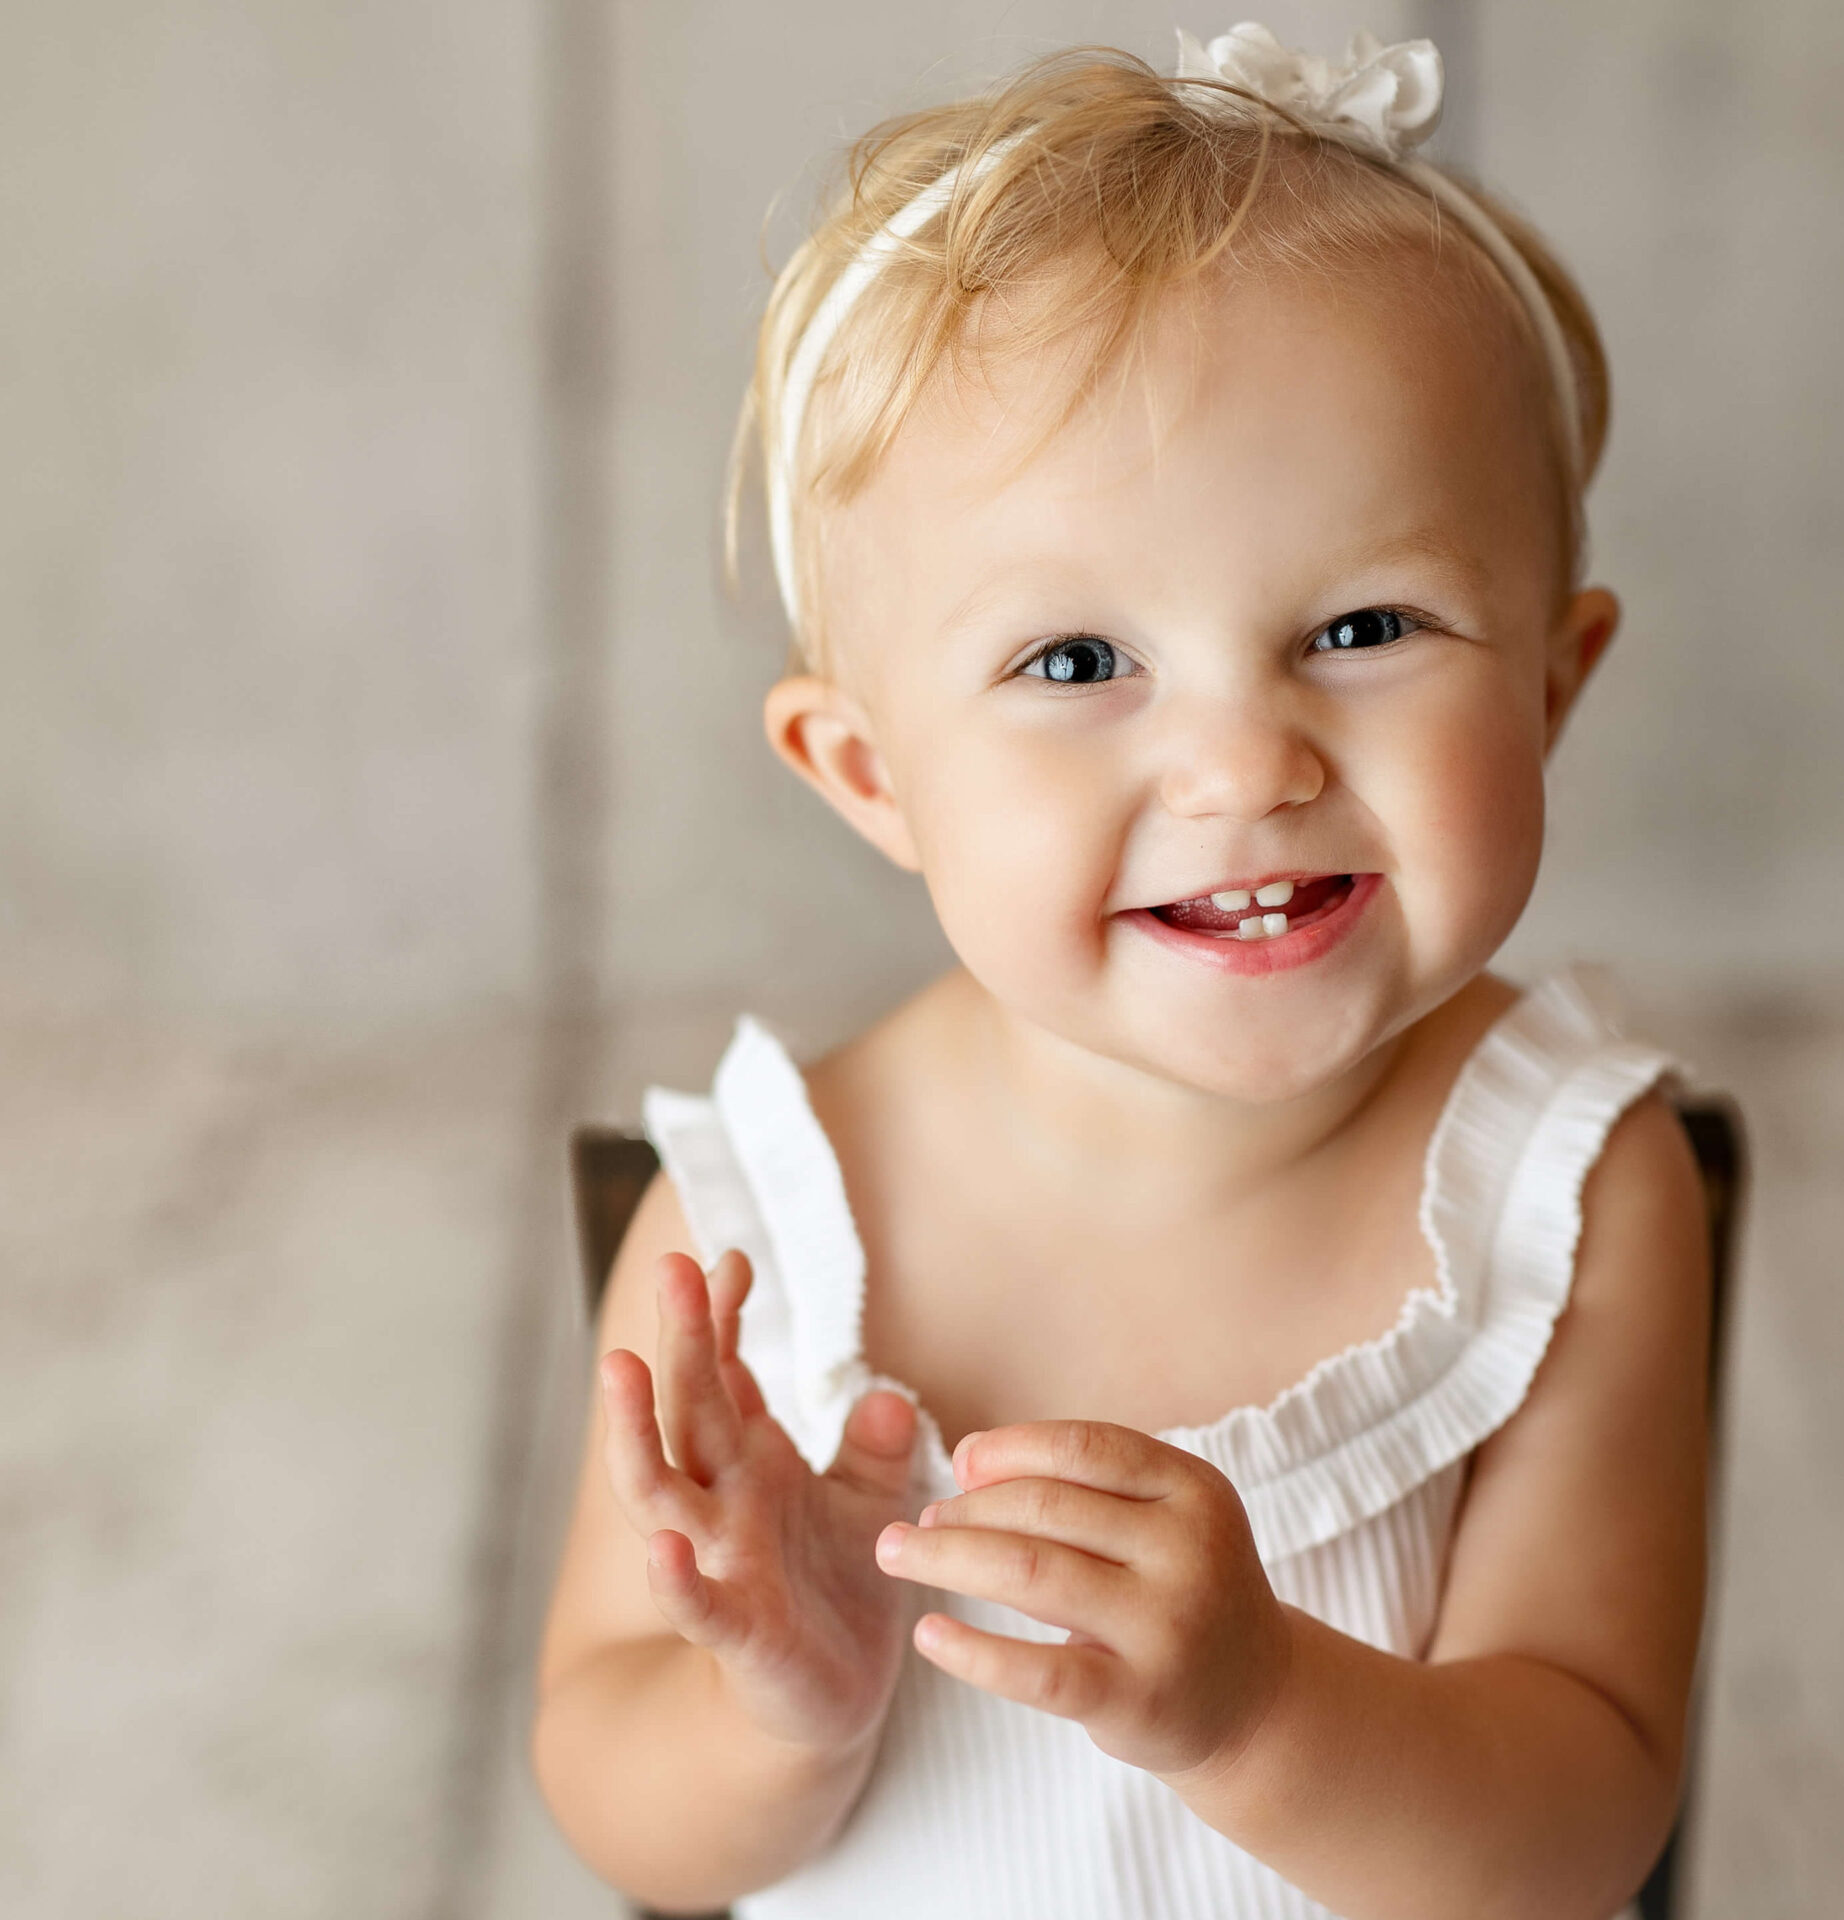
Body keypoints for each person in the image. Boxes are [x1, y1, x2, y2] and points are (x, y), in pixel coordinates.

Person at [532, 24, 1715, 1920]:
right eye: (1079, 664)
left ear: (1552, 684)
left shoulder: (1568, 1198)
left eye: (1363, 625)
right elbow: (603, 1777)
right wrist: (784, 1708)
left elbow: (1580, 1829)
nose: (1248, 765)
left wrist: (1260, 1711)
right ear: (873, 774)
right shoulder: (758, 1220)